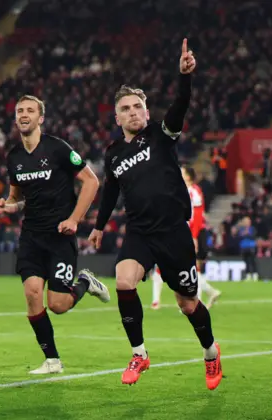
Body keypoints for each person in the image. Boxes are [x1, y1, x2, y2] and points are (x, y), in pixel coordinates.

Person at [87, 39, 223, 389]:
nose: (133, 112)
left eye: (137, 107)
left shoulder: (161, 136)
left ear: (146, 113)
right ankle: (139, 353)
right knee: (122, 281)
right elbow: (112, 190)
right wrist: (99, 226)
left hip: (173, 231)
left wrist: (185, 78)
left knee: (188, 304)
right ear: (116, 117)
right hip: (140, 231)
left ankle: (210, 353)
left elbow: (181, 106)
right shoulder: (114, 152)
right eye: (126, 108)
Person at [0, 94, 110, 374]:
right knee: (32, 294)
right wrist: (5, 206)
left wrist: (74, 219)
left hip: (59, 237)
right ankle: (53, 360)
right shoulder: (14, 157)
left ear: (40, 118)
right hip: (31, 236)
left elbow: (91, 182)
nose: (24, 114)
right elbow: (18, 199)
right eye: (20, 110)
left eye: (30, 110)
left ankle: (85, 282)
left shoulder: (57, 148)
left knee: (57, 304)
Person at [182, 166, 221, 309]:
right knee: (191, 268)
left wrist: (194, 237)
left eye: (182, 172)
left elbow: (198, 215)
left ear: (188, 176)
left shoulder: (194, 192)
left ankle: (197, 302)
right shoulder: (185, 191)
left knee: (190, 268)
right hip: (188, 232)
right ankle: (209, 293)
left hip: (195, 233)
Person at [237, 216, 259, 281]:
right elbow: (239, 237)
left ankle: (255, 275)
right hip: (244, 248)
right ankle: (248, 275)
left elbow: (253, 236)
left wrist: (247, 234)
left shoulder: (252, 229)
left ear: (249, 222)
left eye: (247, 221)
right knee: (246, 262)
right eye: (245, 221)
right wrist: (244, 234)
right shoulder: (241, 229)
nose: (246, 223)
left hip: (251, 247)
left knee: (252, 261)